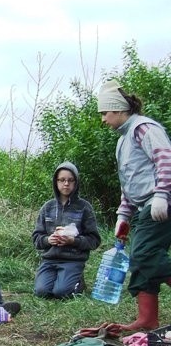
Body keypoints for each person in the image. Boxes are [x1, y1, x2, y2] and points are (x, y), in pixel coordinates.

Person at [96, 80, 171, 331]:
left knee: (146, 255)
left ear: (118, 110)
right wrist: (123, 214)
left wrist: (162, 194)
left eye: (105, 113)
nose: (104, 120)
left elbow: (166, 159)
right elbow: (129, 181)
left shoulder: (144, 129)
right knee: (139, 260)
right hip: (143, 207)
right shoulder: (123, 141)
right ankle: (147, 319)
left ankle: (147, 318)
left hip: (160, 203)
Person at [32, 162, 101, 298]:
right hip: (50, 260)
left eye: (70, 180)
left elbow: (94, 240)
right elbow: (36, 238)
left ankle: (78, 281)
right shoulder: (47, 207)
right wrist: (48, 240)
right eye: (62, 180)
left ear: (76, 183)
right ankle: (58, 279)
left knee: (61, 292)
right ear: (56, 182)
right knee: (41, 292)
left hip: (73, 260)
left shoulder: (84, 207)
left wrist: (73, 241)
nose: (66, 184)